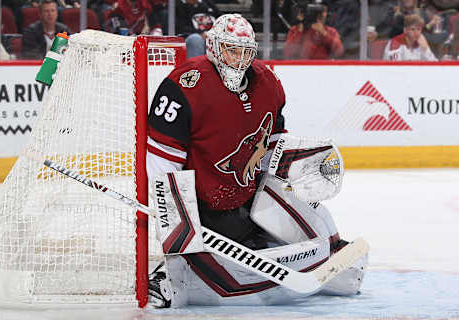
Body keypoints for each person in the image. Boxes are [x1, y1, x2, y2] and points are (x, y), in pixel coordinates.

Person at [146, 13, 366, 308]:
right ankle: (176, 272)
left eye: (246, 51)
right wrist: (180, 232)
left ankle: (330, 247)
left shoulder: (268, 83)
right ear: (213, 47)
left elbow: (274, 147)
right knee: (204, 268)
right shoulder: (184, 85)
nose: (239, 60)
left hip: (246, 199)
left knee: (290, 198)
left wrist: (294, 180)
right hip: (204, 208)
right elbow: (162, 164)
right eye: (231, 50)